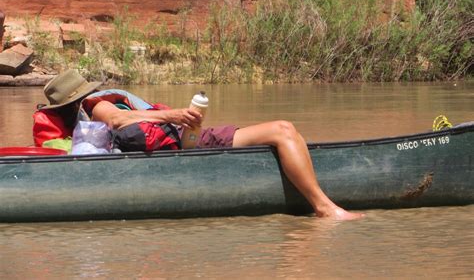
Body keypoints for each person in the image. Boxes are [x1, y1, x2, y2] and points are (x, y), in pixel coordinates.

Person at [39, 69, 364, 221]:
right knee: (282, 130)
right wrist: (175, 114)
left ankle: (317, 196)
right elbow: (118, 121)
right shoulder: (96, 105)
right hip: (183, 144)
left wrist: (179, 121)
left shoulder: (86, 117)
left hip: (184, 144)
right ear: (81, 96)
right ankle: (325, 208)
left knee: (285, 131)